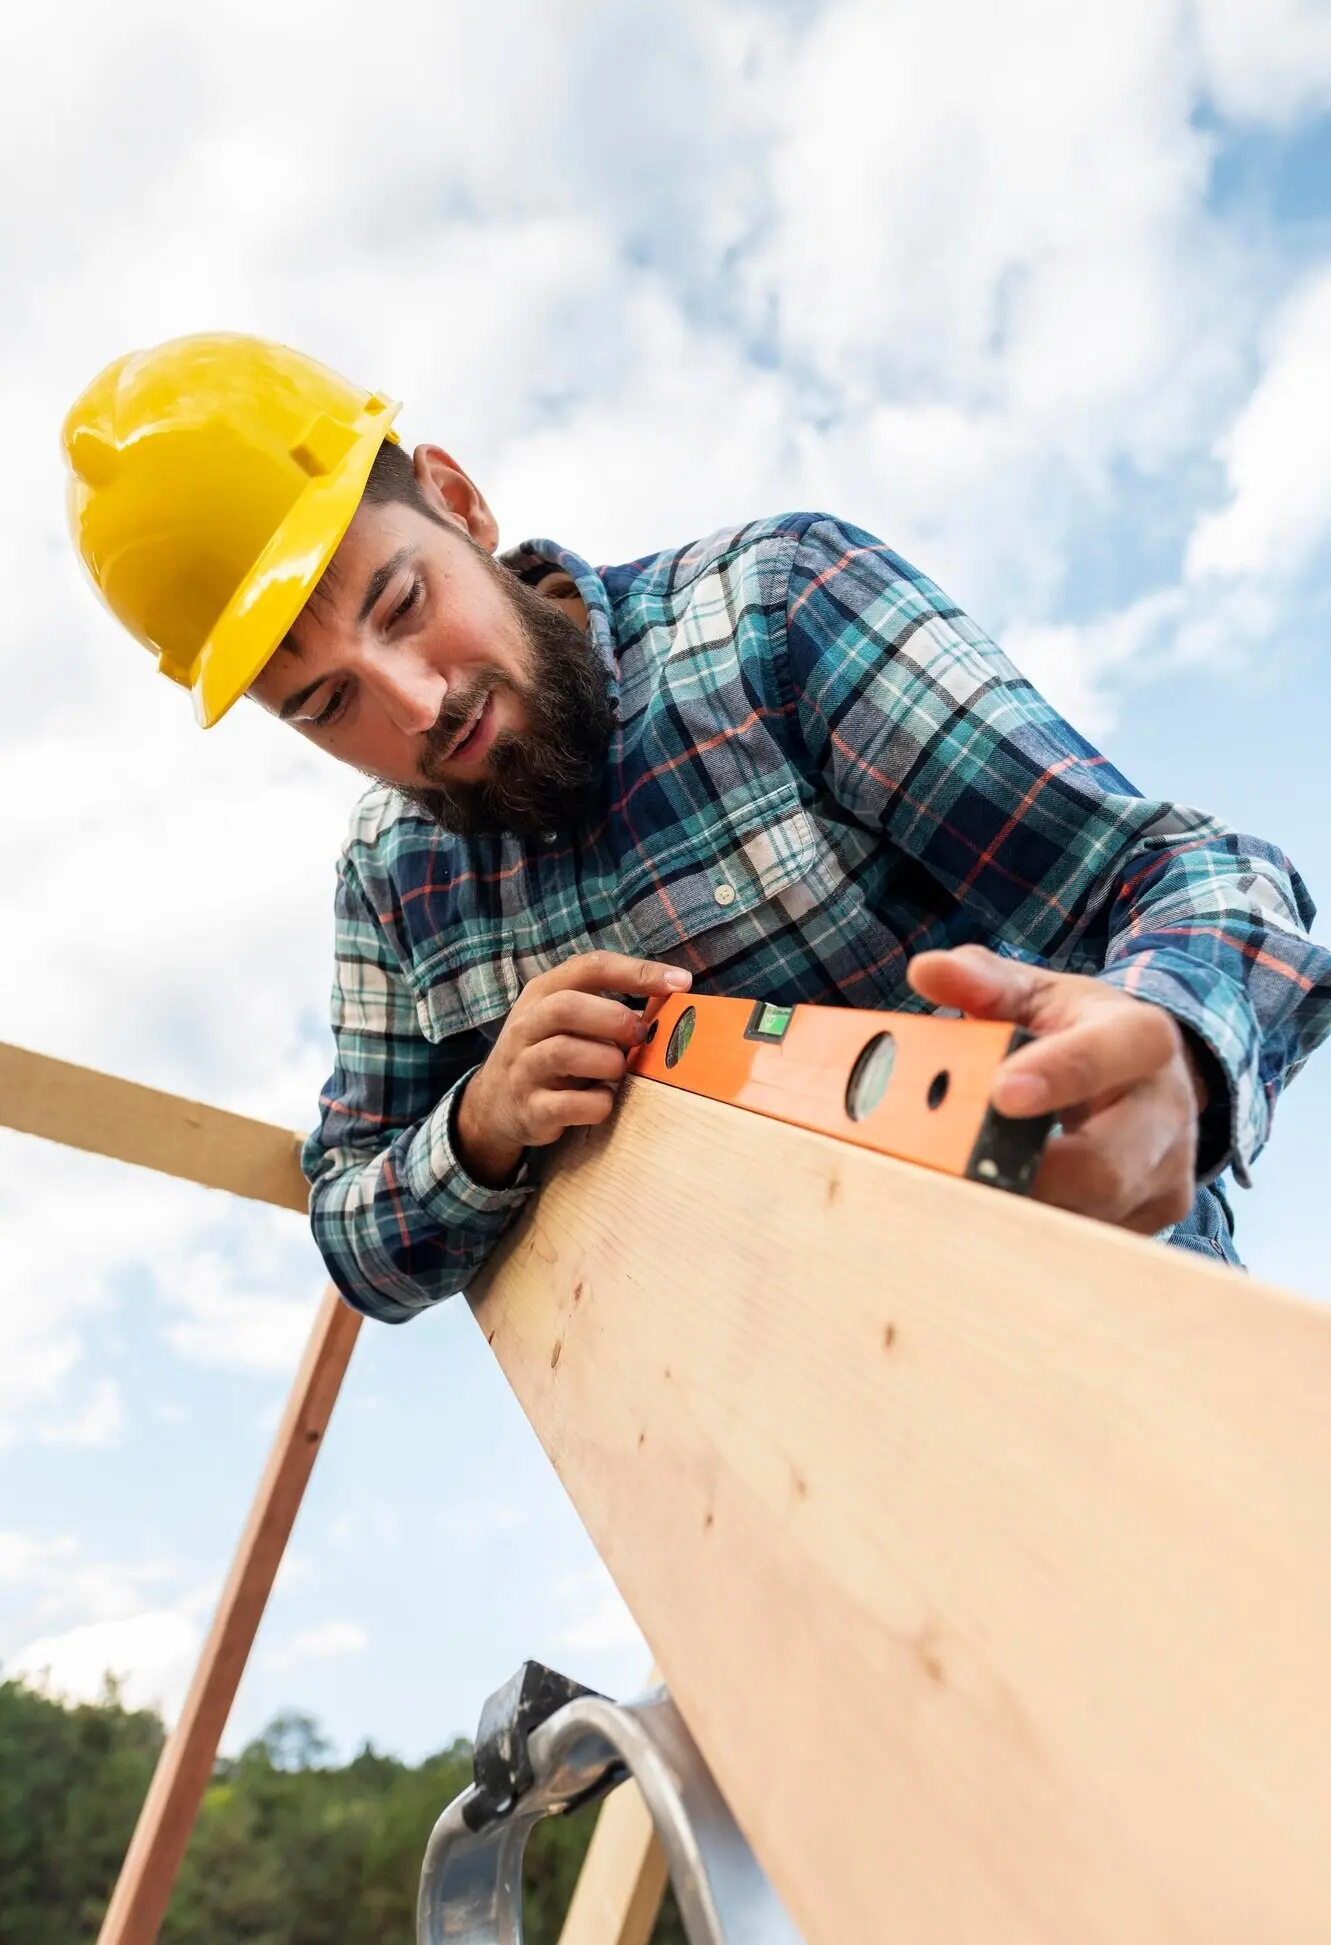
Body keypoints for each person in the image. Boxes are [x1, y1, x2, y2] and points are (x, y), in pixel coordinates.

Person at [62, 334, 1331, 1321]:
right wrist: (478, 1126)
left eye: (403, 603)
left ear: (456, 499)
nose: (419, 706)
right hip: (766, 1467)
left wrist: (1173, 1037)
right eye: (328, 704)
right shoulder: (390, 881)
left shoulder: (773, 613)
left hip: (1078, 1321)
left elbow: (1184, 874)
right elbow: (350, 1219)